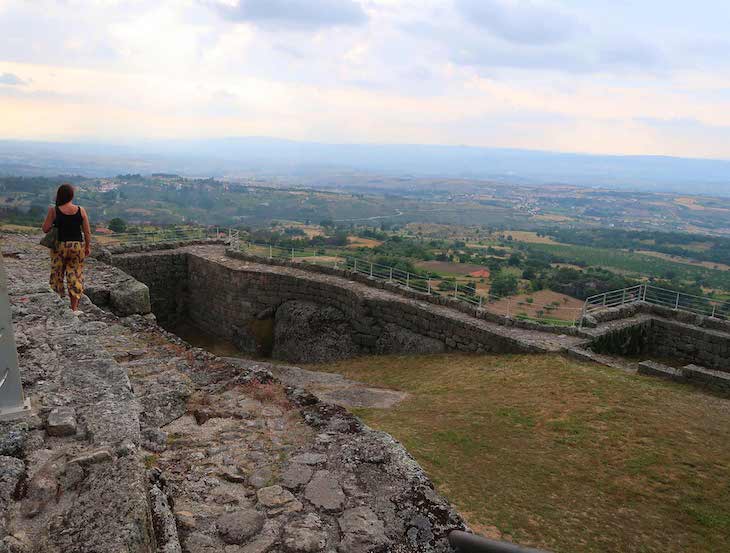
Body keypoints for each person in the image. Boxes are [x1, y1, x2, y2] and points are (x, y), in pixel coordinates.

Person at [41, 184, 92, 313]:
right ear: (71, 195)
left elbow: (45, 229)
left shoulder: (54, 210)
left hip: (59, 246)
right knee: (75, 275)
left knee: (57, 274)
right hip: (77, 246)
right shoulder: (81, 210)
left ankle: (58, 306)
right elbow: (87, 232)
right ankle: (74, 309)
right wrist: (87, 247)